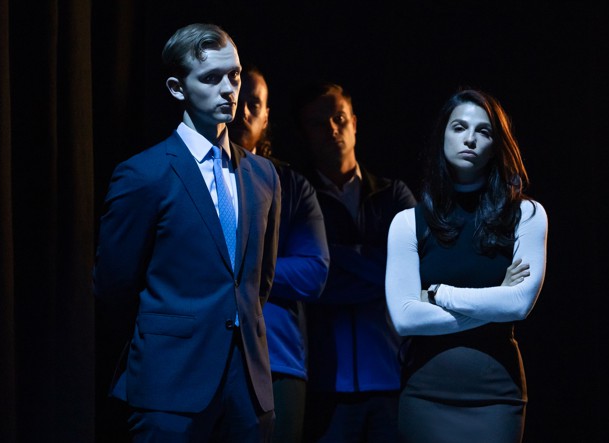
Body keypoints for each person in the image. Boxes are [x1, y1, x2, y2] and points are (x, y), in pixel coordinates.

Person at [92, 23, 281, 442]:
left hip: (248, 388)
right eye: (211, 78)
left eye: (233, 75)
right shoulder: (144, 174)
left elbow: (258, 282)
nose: (228, 89)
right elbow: (115, 285)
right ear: (178, 89)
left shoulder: (264, 175)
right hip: (170, 386)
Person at [385, 88, 548, 443]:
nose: (470, 139)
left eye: (484, 131)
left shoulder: (526, 215)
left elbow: (519, 305)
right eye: (459, 127)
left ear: (497, 144)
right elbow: (404, 318)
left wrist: (439, 295)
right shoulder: (406, 222)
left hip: (496, 395)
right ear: (442, 135)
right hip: (426, 392)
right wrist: (496, 298)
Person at [292, 81, 417, 442]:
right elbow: (314, 283)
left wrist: (336, 255)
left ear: (355, 122)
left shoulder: (393, 194)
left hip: (392, 380)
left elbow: (411, 273)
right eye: (318, 123)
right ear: (304, 133)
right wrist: (377, 267)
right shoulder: (297, 197)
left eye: (338, 117)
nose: (332, 129)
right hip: (324, 385)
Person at [229, 65, 330, 443]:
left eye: (255, 104)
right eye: (239, 101)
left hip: (278, 360)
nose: (243, 112)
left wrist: (235, 271)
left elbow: (314, 272)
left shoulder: (292, 186)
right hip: (204, 357)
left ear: (266, 116)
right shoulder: (190, 175)